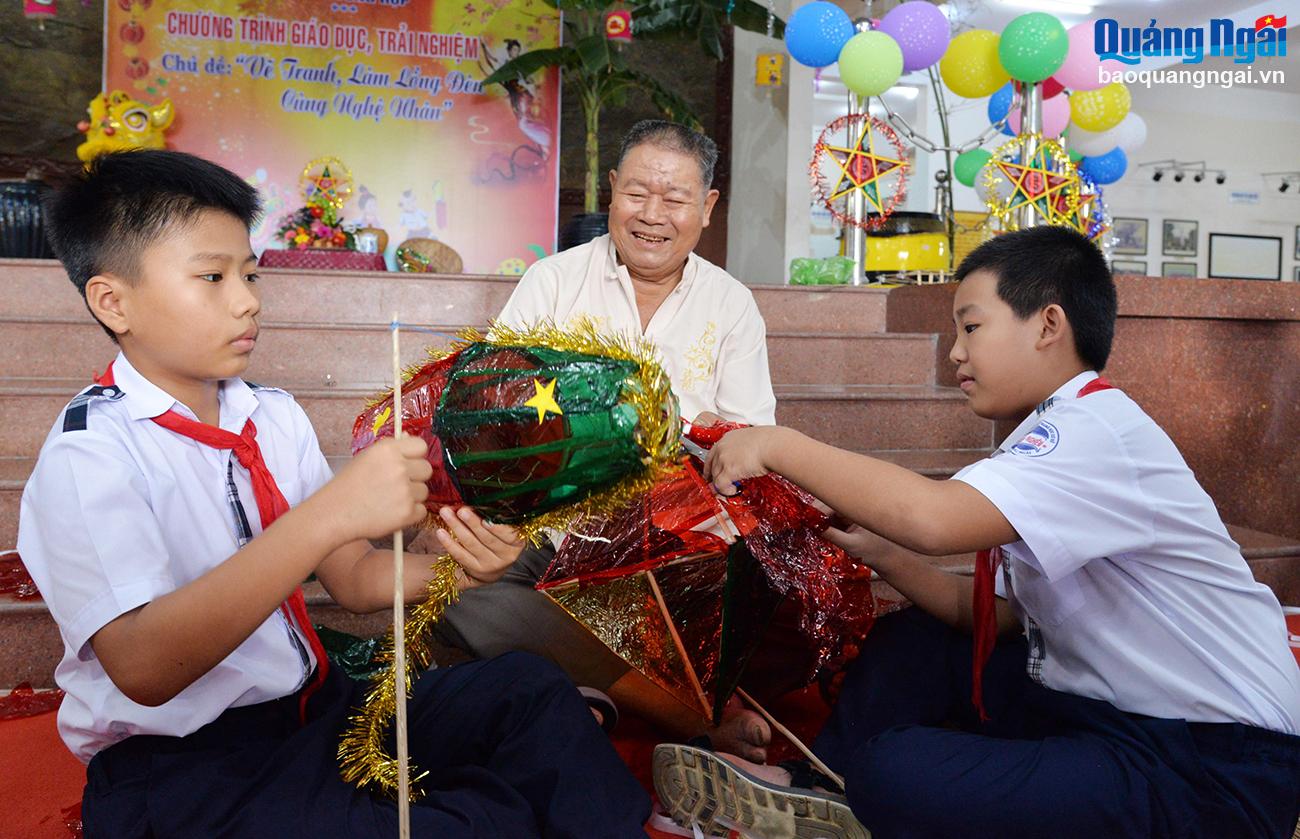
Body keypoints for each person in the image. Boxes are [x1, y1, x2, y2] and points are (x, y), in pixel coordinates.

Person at [18, 149, 650, 837]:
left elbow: (351, 578)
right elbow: (142, 666)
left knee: (530, 693)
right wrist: (323, 516)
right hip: (184, 766)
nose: (247, 298)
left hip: (317, 711)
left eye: (249, 272)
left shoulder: (272, 413)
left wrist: (464, 570)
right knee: (472, 819)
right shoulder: (90, 453)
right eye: (213, 276)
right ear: (113, 300)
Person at [654, 225, 1300, 839]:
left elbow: (934, 519)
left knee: (899, 769)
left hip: (1214, 763)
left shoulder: (1092, 430)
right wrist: (880, 552)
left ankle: (857, 792)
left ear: (1048, 323)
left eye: (971, 326)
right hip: (1106, 715)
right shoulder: (1052, 436)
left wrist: (776, 441)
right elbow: (1003, 620)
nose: (956, 351)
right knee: (917, 639)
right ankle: (817, 787)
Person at [435, 120, 779, 761]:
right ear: (612, 192)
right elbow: (494, 409)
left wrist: (688, 502)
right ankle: (684, 718)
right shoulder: (553, 282)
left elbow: (751, 441)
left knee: (754, 573)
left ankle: (583, 687)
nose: (653, 215)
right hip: (556, 534)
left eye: (674, 199)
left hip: (679, 549)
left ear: (706, 208)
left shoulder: (732, 306)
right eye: (637, 193)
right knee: (455, 595)